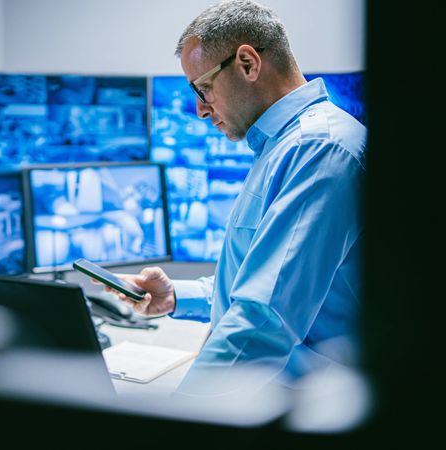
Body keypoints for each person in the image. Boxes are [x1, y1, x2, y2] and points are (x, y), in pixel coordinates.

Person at [100, 0, 366, 395]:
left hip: (306, 403)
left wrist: (176, 420)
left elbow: (264, 318)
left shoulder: (320, 150)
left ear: (247, 63)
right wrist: (177, 295)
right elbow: (258, 279)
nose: (200, 110)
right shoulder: (281, 148)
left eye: (203, 87)